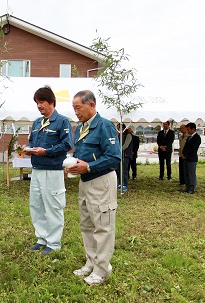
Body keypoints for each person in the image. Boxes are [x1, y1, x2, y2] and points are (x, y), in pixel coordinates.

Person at [66, 90, 121, 286]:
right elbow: (84, 154)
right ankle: (92, 262)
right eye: (74, 108)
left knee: (103, 225)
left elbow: (114, 157)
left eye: (78, 108)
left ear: (92, 105)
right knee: (87, 224)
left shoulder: (104, 126)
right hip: (86, 181)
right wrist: (74, 166)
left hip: (101, 180)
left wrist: (88, 166)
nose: (76, 112)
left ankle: (102, 270)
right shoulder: (80, 128)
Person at [25, 86, 74, 255]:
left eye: (42, 102)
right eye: (37, 103)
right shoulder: (37, 122)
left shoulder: (62, 121)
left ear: (52, 102)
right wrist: (28, 149)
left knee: (53, 206)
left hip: (52, 170)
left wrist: (46, 151)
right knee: (36, 205)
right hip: (37, 169)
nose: (39, 106)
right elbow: (32, 141)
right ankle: (42, 238)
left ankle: (53, 243)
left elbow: (67, 144)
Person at [180, 122, 201, 194]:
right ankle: (187, 186)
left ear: (193, 129)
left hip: (192, 158)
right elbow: (185, 147)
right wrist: (183, 154)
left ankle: (192, 188)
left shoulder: (197, 138)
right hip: (185, 158)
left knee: (191, 173)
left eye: (188, 129)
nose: (187, 131)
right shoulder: (189, 137)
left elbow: (193, 148)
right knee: (186, 173)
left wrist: (186, 154)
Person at [118, 125, 133, 190]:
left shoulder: (128, 135)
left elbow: (126, 145)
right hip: (121, 155)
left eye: (119, 128)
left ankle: (125, 184)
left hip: (126, 155)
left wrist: (118, 149)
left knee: (124, 170)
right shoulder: (121, 135)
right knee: (120, 170)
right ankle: (120, 183)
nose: (118, 130)